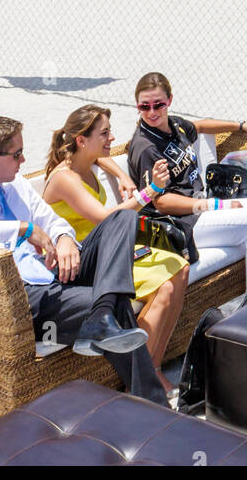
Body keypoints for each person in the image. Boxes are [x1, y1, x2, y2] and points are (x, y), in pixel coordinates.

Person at [0, 116, 167, 405]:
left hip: (56, 273)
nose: (23, 159)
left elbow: (52, 221)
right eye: (16, 154)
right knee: (116, 304)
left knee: (122, 218)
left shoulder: (16, 185)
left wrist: (64, 238)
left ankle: (101, 315)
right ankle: (153, 403)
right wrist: (20, 229)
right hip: (26, 297)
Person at [43, 104, 189, 396]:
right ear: (81, 141)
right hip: (81, 264)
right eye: (105, 133)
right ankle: (140, 381)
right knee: (165, 289)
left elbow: (102, 158)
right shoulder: (65, 179)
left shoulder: (85, 160)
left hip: (103, 252)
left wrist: (121, 175)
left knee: (180, 267)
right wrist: (151, 191)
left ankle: (154, 367)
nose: (112, 138)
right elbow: (106, 219)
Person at [126, 73, 247, 291]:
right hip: (183, 222)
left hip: (204, 206)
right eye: (144, 106)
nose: (151, 112)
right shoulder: (146, 147)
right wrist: (212, 205)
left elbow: (200, 126)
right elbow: (162, 202)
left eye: (158, 104)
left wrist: (241, 126)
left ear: (169, 100)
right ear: (138, 106)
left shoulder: (175, 126)